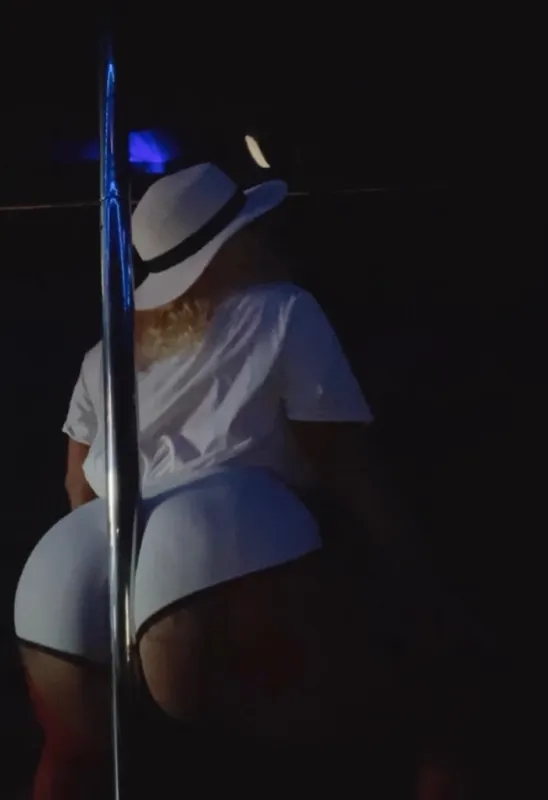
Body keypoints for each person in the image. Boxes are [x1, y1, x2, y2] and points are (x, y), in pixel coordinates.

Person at [13, 163, 450, 799]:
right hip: (221, 547)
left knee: (69, 767)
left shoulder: (104, 353)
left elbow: (77, 483)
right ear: (238, 242)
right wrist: (414, 574)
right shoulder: (284, 311)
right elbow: (344, 465)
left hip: (69, 570)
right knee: (414, 712)